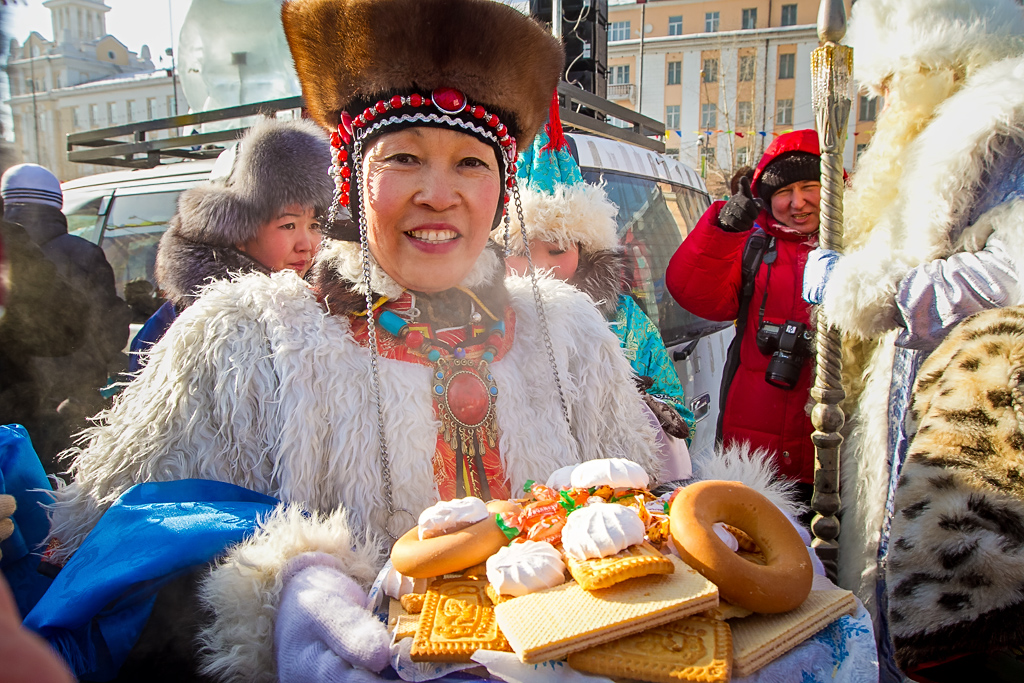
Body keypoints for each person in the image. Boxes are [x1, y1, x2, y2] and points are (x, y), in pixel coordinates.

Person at [28, 3, 864, 682]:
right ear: (356, 178)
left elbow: (643, 527)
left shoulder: (570, 333)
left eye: (470, 163)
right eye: (405, 159)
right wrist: (288, 611)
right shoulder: (246, 341)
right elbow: (116, 568)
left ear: (502, 189)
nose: (440, 194)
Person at [799, 0, 1024, 679]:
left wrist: (885, 290)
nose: (880, 95)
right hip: (909, 429)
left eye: (891, 78)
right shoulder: (933, 135)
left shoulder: (1002, 120)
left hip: (975, 455)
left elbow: (1011, 270)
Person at [496, 115, 695, 478]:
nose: (539, 267)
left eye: (556, 251)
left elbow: (680, 414)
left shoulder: (624, 319)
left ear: (584, 248)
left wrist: (641, 408)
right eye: (521, 250)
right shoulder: (482, 321)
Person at [666, 130, 822, 503]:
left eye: (809, 186)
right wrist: (726, 228)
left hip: (830, 443)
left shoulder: (866, 242)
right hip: (756, 445)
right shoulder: (755, 247)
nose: (797, 203)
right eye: (784, 192)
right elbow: (693, 292)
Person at [128, 117, 331, 373]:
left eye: (315, 226)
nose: (307, 245)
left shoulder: (331, 308)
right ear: (238, 232)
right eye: (288, 225)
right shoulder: (182, 326)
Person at [1, 164, 131, 472]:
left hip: (14, 408)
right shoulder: (82, 253)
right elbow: (109, 332)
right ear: (56, 203)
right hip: (71, 407)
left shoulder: (8, 250)